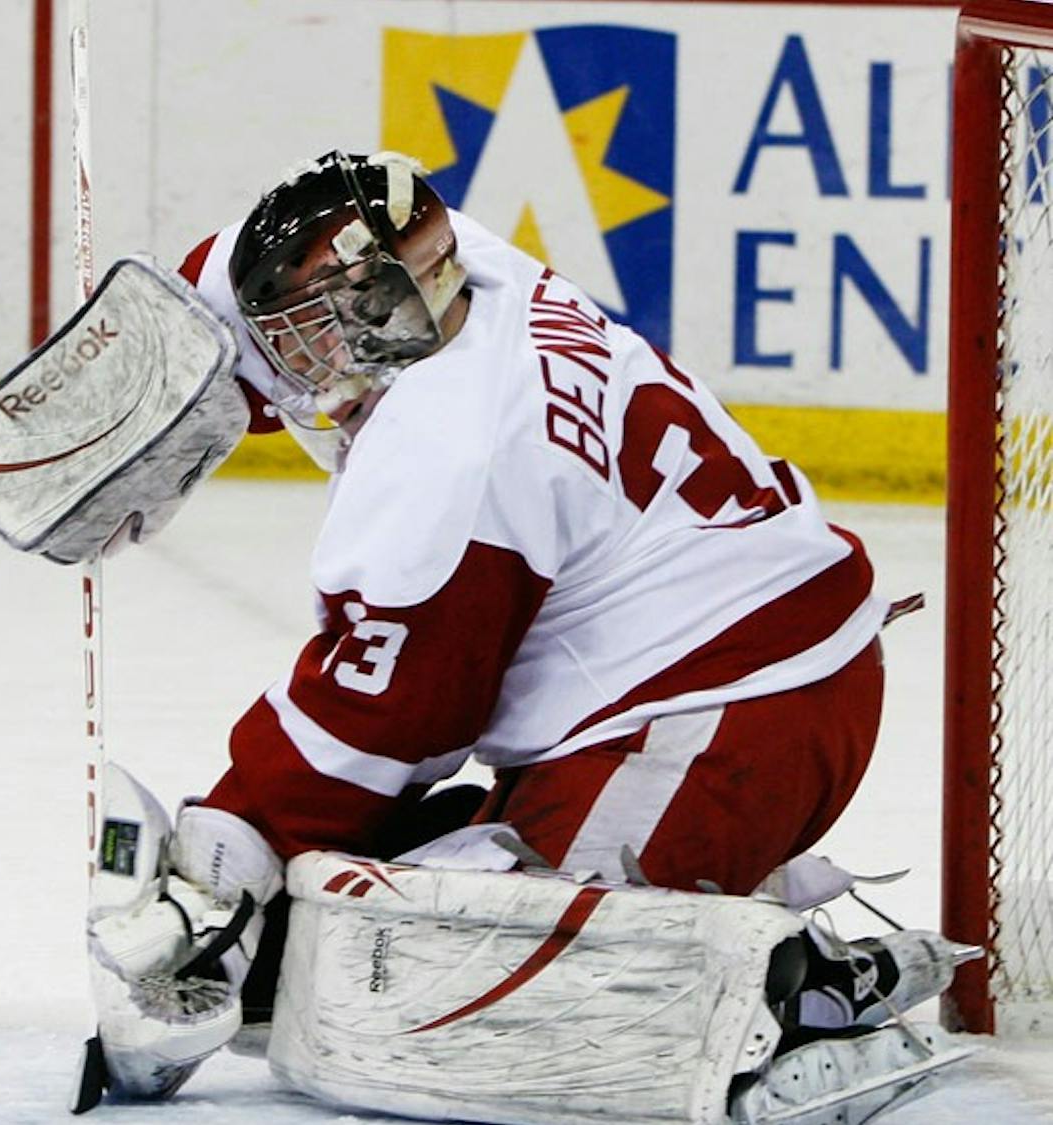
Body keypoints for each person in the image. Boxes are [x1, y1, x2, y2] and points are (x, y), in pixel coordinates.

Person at [78, 150, 968, 1116]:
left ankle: (789, 1001)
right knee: (344, 924)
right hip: (744, 675)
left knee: (443, 995)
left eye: (310, 338)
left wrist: (235, 847)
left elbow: (392, 719)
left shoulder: (450, 450)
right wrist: (187, 376)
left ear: (379, 311)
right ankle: (724, 919)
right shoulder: (463, 268)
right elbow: (269, 276)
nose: (296, 367)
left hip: (724, 722)